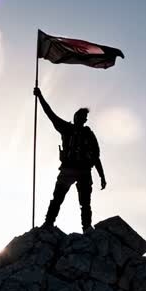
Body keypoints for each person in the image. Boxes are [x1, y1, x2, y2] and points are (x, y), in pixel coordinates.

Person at [34, 87, 106, 232]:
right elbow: (50, 114)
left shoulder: (89, 135)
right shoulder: (66, 128)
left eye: (84, 117)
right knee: (57, 199)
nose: (83, 119)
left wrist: (102, 176)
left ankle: (86, 227)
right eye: (81, 116)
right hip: (68, 169)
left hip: (84, 171)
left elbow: (96, 156)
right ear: (75, 117)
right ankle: (48, 223)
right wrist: (40, 96)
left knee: (85, 203)